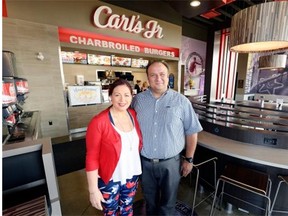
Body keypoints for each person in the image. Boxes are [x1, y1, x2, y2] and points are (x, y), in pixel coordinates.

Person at [131, 60, 203, 215]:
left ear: (168, 76)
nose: (158, 78)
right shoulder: (137, 101)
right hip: (145, 163)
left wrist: (189, 159)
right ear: (148, 78)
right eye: (153, 75)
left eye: (162, 74)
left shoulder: (181, 101)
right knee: (149, 202)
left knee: (168, 205)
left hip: (171, 164)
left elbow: (192, 131)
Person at [86, 79, 143, 215]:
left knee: (127, 209)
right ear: (110, 96)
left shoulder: (133, 115)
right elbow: (91, 157)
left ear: (132, 96)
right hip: (109, 179)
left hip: (131, 175)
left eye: (127, 95)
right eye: (117, 95)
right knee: (111, 212)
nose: (122, 99)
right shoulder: (99, 122)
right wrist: (93, 190)